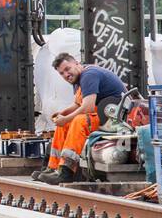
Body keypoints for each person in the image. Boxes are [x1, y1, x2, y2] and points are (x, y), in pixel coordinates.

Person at [36, 53, 126, 184]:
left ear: (77, 64)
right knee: (64, 124)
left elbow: (88, 107)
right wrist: (62, 114)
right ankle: (53, 168)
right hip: (104, 115)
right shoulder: (78, 78)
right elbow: (78, 104)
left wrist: (66, 118)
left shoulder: (89, 75)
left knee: (79, 121)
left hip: (115, 118)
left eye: (67, 69)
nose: (66, 75)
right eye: (62, 73)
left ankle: (67, 171)